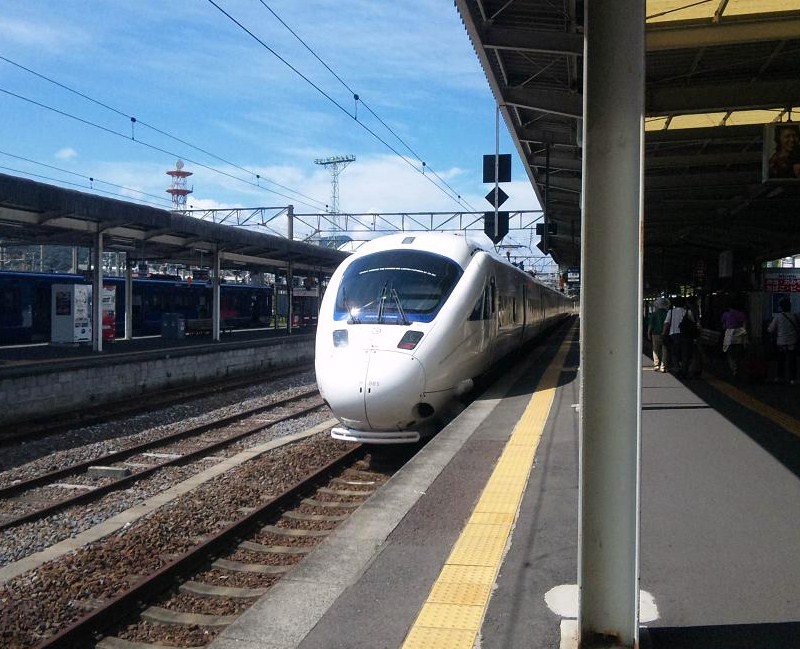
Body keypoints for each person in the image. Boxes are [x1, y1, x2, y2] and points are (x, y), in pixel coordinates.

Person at [767, 297, 798, 384]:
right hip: (792, 341)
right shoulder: (794, 316)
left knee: (781, 360)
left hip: (781, 342)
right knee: (792, 361)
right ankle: (792, 378)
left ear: (781, 307)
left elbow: (770, 329)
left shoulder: (778, 317)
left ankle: (780, 377)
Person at [664, 297, 695, 378]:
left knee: (674, 353)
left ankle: (677, 369)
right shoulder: (687, 311)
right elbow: (693, 323)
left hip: (674, 335)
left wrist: (663, 333)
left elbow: (666, 323)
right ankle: (684, 371)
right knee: (685, 353)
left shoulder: (671, 312)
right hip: (686, 335)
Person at [721, 302, 748, 378]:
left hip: (729, 335)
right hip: (739, 335)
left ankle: (733, 368)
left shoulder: (726, 314)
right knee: (738, 353)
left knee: (730, 353)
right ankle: (737, 368)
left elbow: (723, 325)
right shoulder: (741, 314)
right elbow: (744, 326)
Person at [647, 297, 670, 372]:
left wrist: (648, 333)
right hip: (665, 334)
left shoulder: (654, 314)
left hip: (655, 333)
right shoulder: (667, 313)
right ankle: (663, 366)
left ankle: (656, 364)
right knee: (665, 349)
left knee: (655, 349)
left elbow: (651, 324)